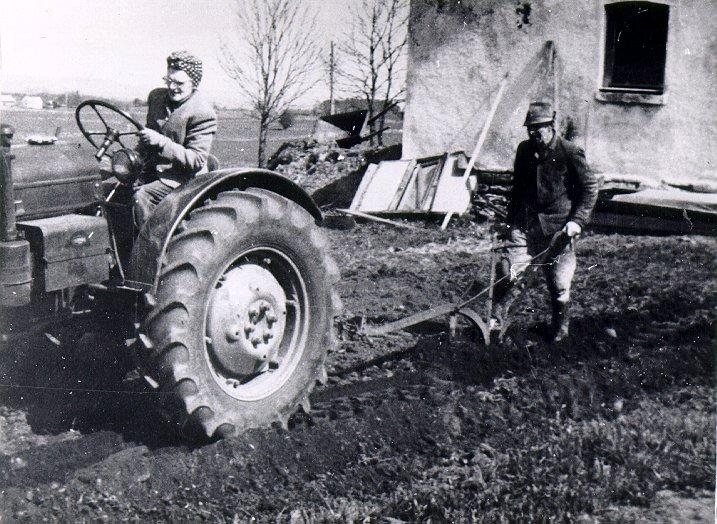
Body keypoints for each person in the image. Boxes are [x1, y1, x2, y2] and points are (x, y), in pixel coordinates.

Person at [493, 101, 598, 343]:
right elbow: (518, 190)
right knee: (508, 272)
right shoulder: (524, 150)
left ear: (551, 126)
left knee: (559, 282)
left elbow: (590, 188)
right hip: (525, 225)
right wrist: (509, 224)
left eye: (538, 128)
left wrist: (577, 221)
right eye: (530, 128)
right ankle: (494, 324)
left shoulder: (569, 152)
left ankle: (560, 330)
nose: (533, 133)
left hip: (558, 230)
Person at [133, 50, 218, 226]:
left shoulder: (202, 112)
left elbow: (196, 160)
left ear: (193, 83)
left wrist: (161, 142)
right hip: (151, 170)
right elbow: (147, 137)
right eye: (168, 80)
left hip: (182, 179)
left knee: (142, 196)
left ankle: (152, 242)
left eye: (179, 83)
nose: (172, 87)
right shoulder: (156, 98)